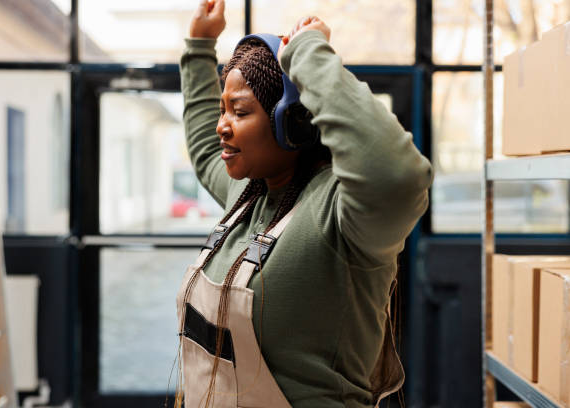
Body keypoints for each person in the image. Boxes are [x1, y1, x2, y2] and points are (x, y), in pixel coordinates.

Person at [174, 0, 433, 407]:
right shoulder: (248, 197)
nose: (222, 125)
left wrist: (310, 55)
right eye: (224, 109)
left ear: (292, 121)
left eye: (239, 111)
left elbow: (397, 174)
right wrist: (199, 46)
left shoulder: (342, 213)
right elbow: (207, 147)